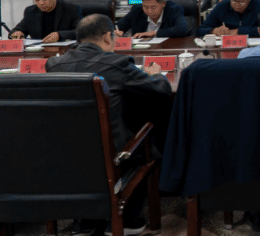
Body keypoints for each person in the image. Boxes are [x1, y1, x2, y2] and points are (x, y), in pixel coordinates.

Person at [46, 14, 173, 235]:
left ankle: (84, 221)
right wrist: (157, 74)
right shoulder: (116, 63)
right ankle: (127, 220)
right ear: (107, 37)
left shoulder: (54, 64)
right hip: (113, 156)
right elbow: (160, 90)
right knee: (145, 138)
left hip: (65, 154)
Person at [9, 0, 82, 43]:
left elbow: (81, 32)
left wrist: (59, 35)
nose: (41, 3)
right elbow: (16, 30)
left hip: (64, 51)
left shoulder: (71, 9)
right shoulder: (31, 11)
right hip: (39, 51)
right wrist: (17, 33)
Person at [115, 0, 188, 38]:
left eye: (153, 7)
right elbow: (117, 26)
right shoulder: (137, 10)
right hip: (141, 50)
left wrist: (154, 33)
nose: (149, 11)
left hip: (166, 49)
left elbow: (181, 30)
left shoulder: (174, 10)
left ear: (163, 3)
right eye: (145, 7)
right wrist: (116, 31)